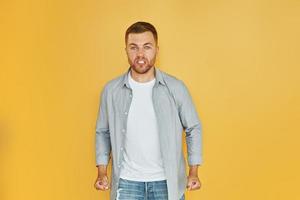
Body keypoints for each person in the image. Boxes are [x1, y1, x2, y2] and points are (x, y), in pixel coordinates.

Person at [94, 21, 203, 200]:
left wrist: (193, 171)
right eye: (133, 47)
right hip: (126, 182)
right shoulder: (111, 91)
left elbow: (193, 127)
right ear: (126, 50)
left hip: (166, 182)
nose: (140, 54)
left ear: (156, 50)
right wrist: (102, 171)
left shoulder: (175, 88)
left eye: (147, 47)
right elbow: (102, 132)